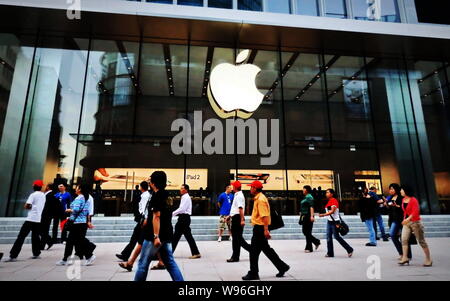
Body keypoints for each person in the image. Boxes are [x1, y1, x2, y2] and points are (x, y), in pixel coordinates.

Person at [134, 171, 184, 281]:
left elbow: (157, 216)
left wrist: (156, 236)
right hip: (167, 234)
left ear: (153, 182)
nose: (149, 182)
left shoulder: (156, 196)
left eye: (150, 180)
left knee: (143, 264)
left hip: (154, 235)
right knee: (170, 263)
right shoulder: (167, 195)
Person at [242, 181, 290, 281]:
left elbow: (265, 216)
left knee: (254, 252)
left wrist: (266, 230)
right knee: (266, 250)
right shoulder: (259, 198)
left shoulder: (260, 199)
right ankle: (282, 266)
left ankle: (253, 273)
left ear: (255, 188)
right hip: (259, 228)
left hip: (260, 229)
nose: (250, 189)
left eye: (251, 187)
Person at [56, 184, 95, 266]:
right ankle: (66, 258)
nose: (75, 189)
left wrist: (69, 210)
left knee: (74, 241)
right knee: (74, 241)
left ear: (80, 189)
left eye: (77, 187)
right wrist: (88, 221)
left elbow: (76, 209)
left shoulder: (79, 198)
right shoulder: (87, 198)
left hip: (76, 223)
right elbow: (87, 211)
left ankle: (89, 255)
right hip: (82, 222)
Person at [7, 180, 46, 261]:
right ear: (41, 187)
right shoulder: (43, 195)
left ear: (34, 186)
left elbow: (27, 205)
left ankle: (13, 255)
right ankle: (36, 253)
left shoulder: (33, 195)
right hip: (38, 219)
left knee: (21, 236)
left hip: (30, 219)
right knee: (35, 237)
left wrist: (26, 206)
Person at [117, 181, 151, 262]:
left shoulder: (145, 196)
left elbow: (143, 208)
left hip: (143, 220)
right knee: (135, 238)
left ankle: (126, 255)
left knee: (138, 239)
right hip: (143, 220)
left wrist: (142, 219)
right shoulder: (146, 195)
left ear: (141, 187)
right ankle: (125, 254)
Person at [398, 185, 432, 267]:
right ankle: (405, 258)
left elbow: (415, 212)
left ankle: (428, 259)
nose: (400, 191)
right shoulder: (403, 199)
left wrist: (407, 219)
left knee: (421, 241)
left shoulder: (413, 200)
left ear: (406, 190)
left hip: (415, 223)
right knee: (404, 240)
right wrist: (404, 219)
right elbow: (405, 211)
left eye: (401, 190)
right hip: (406, 223)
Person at [319, 189, 353, 258]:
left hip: (335, 222)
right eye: (326, 192)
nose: (326, 193)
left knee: (337, 237)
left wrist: (323, 215)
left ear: (332, 194)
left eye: (328, 192)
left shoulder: (334, 200)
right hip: (329, 221)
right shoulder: (329, 201)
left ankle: (349, 249)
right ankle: (330, 253)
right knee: (328, 237)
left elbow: (332, 211)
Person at [172, 184, 201, 259]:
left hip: (184, 218)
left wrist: (172, 214)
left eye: (182, 188)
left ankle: (196, 252)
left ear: (186, 190)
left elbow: (182, 209)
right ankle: (196, 252)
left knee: (177, 236)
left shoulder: (185, 197)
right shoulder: (185, 197)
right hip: (184, 218)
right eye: (180, 188)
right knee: (180, 236)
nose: (180, 190)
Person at [227, 181, 251, 262]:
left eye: (232, 186)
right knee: (238, 239)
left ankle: (235, 257)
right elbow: (236, 208)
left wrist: (242, 219)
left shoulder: (239, 196)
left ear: (235, 187)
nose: (231, 187)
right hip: (236, 217)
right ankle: (251, 250)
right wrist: (230, 216)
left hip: (237, 218)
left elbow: (240, 208)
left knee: (236, 239)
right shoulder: (237, 195)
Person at [386, 183, 411, 260]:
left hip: (400, 219)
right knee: (394, 236)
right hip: (393, 219)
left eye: (392, 189)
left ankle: (406, 254)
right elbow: (388, 209)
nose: (391, 190)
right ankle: (402, 253)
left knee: (403, 237)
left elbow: (404, 208)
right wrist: (386, 205)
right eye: (390, 189)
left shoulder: (401, 197)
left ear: (396, 189)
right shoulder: (390, 198)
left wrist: (397, 206)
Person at [300, 185, 320, 252]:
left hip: (308, 215)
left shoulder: (309, 197)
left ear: (306, 190)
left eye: (303, 189)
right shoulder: (306, 197)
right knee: (305, 231)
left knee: (307, 232)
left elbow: (311, 207)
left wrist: (311, 216)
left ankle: (309, 248)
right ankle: (316, 241)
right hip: (304, 215)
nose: (302, 190)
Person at [40, 183, 59, 250]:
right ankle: (43, 244)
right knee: (44, 230)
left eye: (46, 186)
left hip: (46, 215)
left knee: (42, 229)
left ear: (48, 187)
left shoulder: (50, 195)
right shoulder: (49, 194)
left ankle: (49, 241)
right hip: (47, 215)